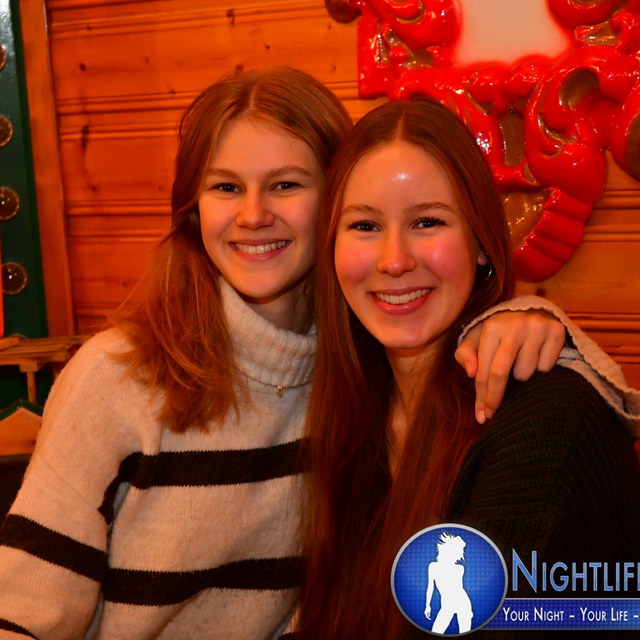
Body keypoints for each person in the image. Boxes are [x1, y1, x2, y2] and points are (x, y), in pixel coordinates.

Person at [0, 68, 595, 638]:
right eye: (226, 187)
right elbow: (23, 610)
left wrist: (542, 326)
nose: (253, 215)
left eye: (285, 185)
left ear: (334, 202)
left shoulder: (357, 372)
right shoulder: (118, 375)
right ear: (192, 208)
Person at [297, 98, 640, 639]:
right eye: (364, 225)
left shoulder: (544, 418)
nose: (394, 260)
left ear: (481, 242)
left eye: (427, 221)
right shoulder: (356, 410)